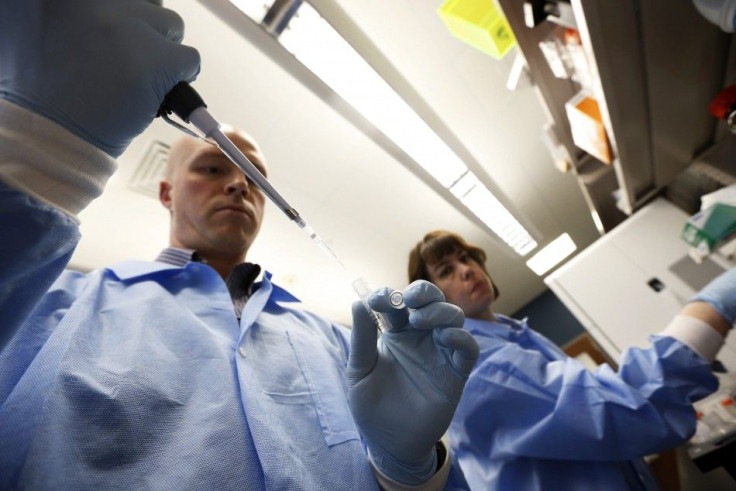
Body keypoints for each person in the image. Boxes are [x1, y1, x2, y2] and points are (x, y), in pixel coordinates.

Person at [0, 2, 480, 489]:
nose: (238, 186)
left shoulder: (338, 341)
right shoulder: (54, 303)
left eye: (254, 179)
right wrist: (36, 153)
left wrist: (409, 470)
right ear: (166, 192)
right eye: (212, 168)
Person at [408, 230, 735, 490]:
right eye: (446, 271)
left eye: (465, 258)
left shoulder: (518, 337)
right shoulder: (467, 364)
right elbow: (613, 410)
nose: (466, 270)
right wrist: (712, 309)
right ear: (432, 301)